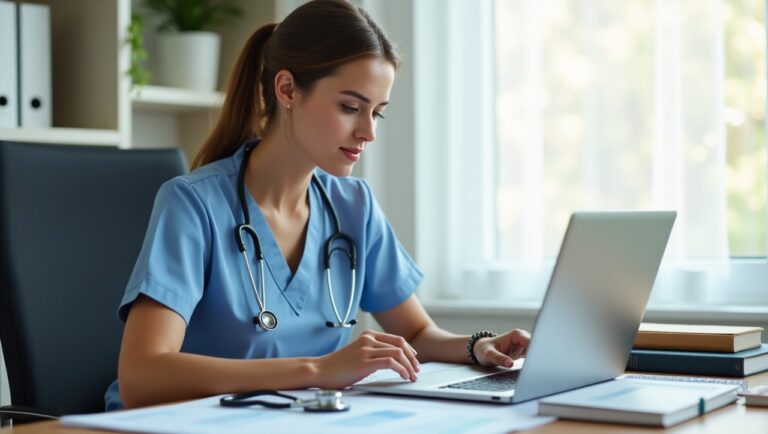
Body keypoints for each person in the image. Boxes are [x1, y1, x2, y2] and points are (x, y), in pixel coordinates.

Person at [106, 0, 531, 410]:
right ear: (287, 89)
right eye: (350, 107)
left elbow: (417, 332)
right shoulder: (194, 204)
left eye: (377, 113)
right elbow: (143, 376)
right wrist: (317, 369)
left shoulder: (354, 207)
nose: (368, 132)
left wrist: (477, 346)